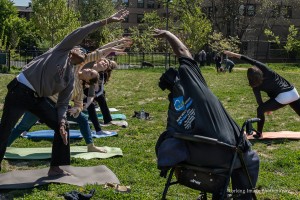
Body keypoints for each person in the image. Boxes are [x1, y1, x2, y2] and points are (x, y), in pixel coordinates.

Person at [0, 9, 129, 176]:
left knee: (63, 127)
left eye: (84, 52)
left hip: (38, 99)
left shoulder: (70, 77)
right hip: (20, 91)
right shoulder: (61, 50)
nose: (82, 52)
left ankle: (57, 167)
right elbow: (82, 31)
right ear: (72, 50)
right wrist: (107, 21)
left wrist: (61, 121)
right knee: (5, 131)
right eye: (80, 49)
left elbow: (62, 104)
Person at [154, 29, 259, 199]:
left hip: (192, 163)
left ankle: (220, 194)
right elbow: (183, 52)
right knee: (250, 159)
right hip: (225, 156)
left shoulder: (174, 110)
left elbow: (171, 136)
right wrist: (168, 34)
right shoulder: (193, 82)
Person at [224, 50, 300, 138]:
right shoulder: (265, 69)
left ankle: (259, 133)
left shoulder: (254, 85)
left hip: (282, 96)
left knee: (260, 110)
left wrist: (266, 108)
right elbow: (249, 60)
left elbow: (260, 102)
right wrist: (233, 54)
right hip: (293, 92)